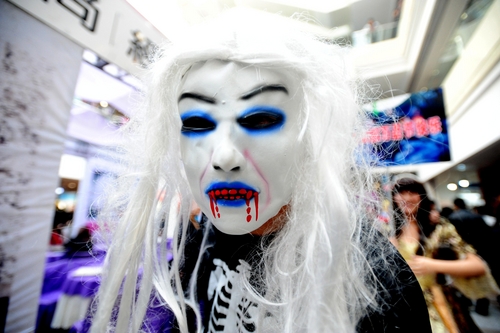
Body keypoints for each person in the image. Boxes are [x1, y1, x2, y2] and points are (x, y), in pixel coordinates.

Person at [88, 11, 431, 333]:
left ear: (311, 136)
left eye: (260, 120)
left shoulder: (374, 278)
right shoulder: (208, 235)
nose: (223, 156)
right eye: (196, 123)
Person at [391, 176, 499, 333]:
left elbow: (477, 265)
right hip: (401, 306)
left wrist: (430, 264)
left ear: (422, 196)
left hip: (437, 303)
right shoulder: (391, 232)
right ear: (394, 197)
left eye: (412, 192)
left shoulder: (440, 229)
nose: (407, 197)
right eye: (401, 193)